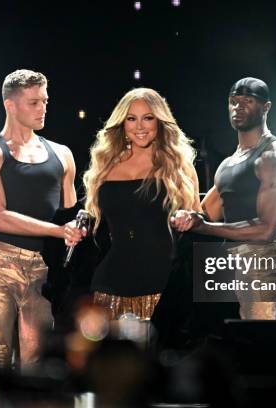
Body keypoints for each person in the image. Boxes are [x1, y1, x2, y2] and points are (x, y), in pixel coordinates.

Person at [0, 69, 84, 372]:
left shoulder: (61, 154)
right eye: (33, 102)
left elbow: (70, 216)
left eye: (45, 101)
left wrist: (75, 230)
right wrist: (59, 231)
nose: (42, 108)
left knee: (37, 366)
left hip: (44, 271)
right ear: (10, 104)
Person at [172, 77, 276, 320]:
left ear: (266, 107)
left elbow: (266, 230)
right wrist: (187, 217)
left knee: (261, 348)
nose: (238, 108)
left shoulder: (274, 157)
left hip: (264, 262)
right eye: (233, 101)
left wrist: (205, 226)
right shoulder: (229, 163)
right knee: (240, 348)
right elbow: (205, 212)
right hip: (235, 261)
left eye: (247, 101)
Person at [82, 88, 201, 320]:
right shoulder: (105, 166)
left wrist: (190, 218)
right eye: (131, 118)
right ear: (122, 124)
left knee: (158, 354)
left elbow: (197, 219)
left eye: (148, 117)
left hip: (162, 283)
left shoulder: (177, 166)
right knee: (110, 356)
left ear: (159, 121)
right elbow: (93, 218)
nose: (140, 126)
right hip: (110, 282)